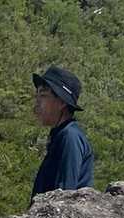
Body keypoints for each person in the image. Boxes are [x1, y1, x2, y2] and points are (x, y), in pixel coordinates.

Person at [31, 66, 94, 198]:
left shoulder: (69, 137)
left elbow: (65, 196)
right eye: (37, 96)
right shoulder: (61, 135)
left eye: (43, 96)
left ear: (61, 102)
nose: (37, 103)